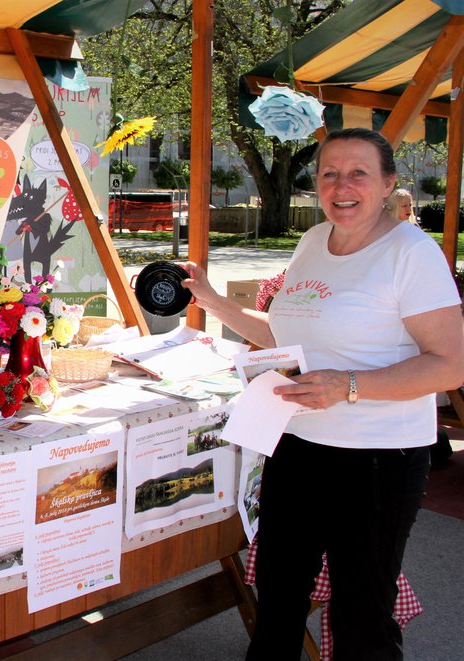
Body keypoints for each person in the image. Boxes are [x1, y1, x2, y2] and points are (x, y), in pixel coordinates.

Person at [181, 128, 463, 660]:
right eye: (329, 173)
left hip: (378, 459)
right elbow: (287, 337)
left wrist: (349, 386)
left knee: (361, 609)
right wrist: (212, 301)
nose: (341, 185)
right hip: (298, 445)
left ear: (388, 185)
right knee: (280, 595)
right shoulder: (313, 241)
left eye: (359, 172)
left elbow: (451, 366)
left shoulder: (411, 253)